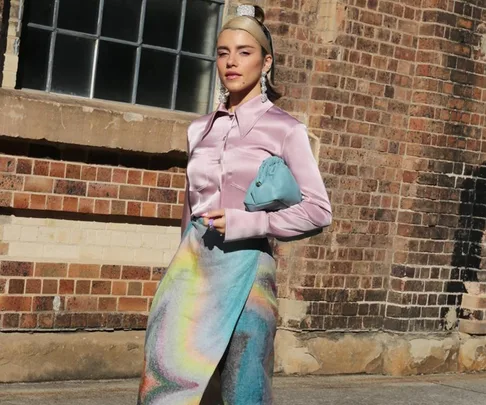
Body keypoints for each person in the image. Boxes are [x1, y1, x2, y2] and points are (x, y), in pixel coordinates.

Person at [137, 4, 332, 405]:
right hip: (193, 268)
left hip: (248, 270)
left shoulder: (286, 129)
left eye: (244, 51)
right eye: (223, 51)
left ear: (266, 62)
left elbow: (318, 210)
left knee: (242, 386)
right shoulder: (199, 129)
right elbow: (188, 207)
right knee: (166, 379)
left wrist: (248, 223)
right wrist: (179, 260)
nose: (231, 61)